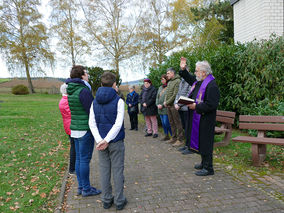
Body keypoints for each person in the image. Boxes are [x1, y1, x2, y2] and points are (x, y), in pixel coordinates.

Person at [89, 72, 127, 210]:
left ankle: (106, 200)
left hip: (101, 143)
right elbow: (118, 124)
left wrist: (100, 140)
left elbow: (91, 123)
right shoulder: (119, 101)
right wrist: (106, 140)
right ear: (114, 84)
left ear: (101, 84)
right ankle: (119, 201)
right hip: (116, 141)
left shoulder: (94, 102)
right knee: (117, 171)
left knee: (104, 171)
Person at [179, 58, 220, 176]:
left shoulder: (211, 85)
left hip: (206, 119)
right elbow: (189, 78)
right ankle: (203, 163)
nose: (195, 73)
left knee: (206, 143)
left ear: (204, 72)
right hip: (198, 118)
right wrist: (183, 69)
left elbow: (211, 105)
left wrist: (196, 107)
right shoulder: (199, 82)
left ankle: (209, 168)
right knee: (201, 142)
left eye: (197, 71)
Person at [66, 65, 101, 197]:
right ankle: (86, 188)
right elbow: (91, 110)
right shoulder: (83, 90)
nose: (87, 75)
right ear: (81, 76)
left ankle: (81, 187)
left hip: (75, 128)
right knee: (84, 160)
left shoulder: (71, 89)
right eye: (86, 73)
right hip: (84, 129)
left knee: (79, 159)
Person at [174, 67, 193, 155]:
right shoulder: (181, 81)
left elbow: (188, 95)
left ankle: (190, 146)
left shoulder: (190, 82)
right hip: (180, 107)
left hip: (186, 108)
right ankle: (186, 145)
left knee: (188, 127)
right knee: (184, 127)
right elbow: (178, 93)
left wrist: (179, 104)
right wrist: (175, 103)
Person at [164, 68, 184, 147]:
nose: (167, 75)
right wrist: (165, 101)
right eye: (167, 73)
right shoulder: (169, 82)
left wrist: (167, 102)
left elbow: (175, 94)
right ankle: (174, 137)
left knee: (177, 122)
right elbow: (167, 93)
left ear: (173, 73)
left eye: (168, 73)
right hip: (168, 105)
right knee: (171, 122)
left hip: (173, 105)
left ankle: (180, 139)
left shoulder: (177, 81)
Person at [59, 83, 76, 174]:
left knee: (73, 146)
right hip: (71, 126)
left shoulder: (63, 100)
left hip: (67, 125)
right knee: (74, 147)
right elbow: (72, 113)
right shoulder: (67, 101)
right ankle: (72, 168)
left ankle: (73, 167)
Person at [156, 74, 172, 141]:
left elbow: (168, 97)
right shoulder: (160, 87)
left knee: (166, 122)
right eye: (161, 79)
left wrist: (162, 105)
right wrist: (157, 104)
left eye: (163, 79)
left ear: (166, 79)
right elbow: (157, 97)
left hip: (165, 107)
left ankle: (172, 135)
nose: (162, 81)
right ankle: (166, 135)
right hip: (159, 108)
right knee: (163, 123)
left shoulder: (168, 87)